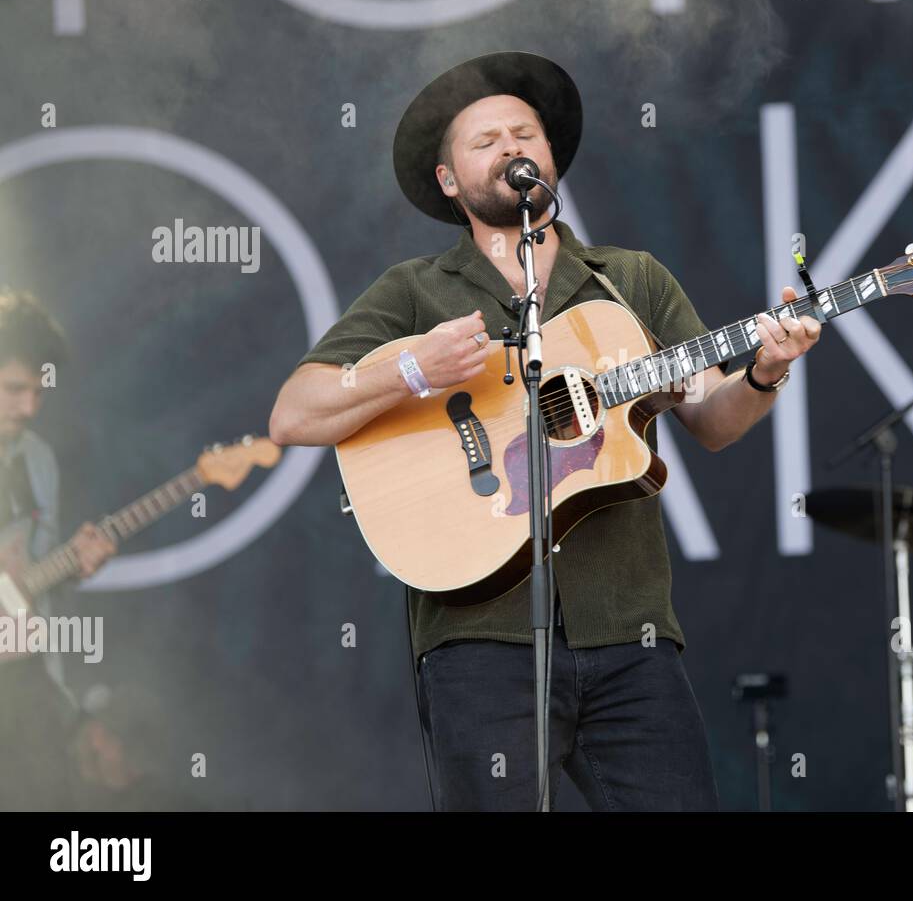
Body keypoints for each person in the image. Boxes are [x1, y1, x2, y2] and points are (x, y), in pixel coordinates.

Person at [268, 51, 822, 810]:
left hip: (631, 633)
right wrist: (414, 371)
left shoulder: (630, 281)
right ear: (449, 181)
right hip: (479, 640)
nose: (512, 147)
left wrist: (764, 372)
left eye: (525, 133)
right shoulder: (415, 291)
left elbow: (712, 421)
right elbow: (295, 413)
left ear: (551, 157)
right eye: (485, 140)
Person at [0, 289, 116, 809]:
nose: (28, 406)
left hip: (24, 687)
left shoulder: (38, 459)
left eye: (37, 391)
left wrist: (72, 565)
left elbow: (24, 579)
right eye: (12, 389)